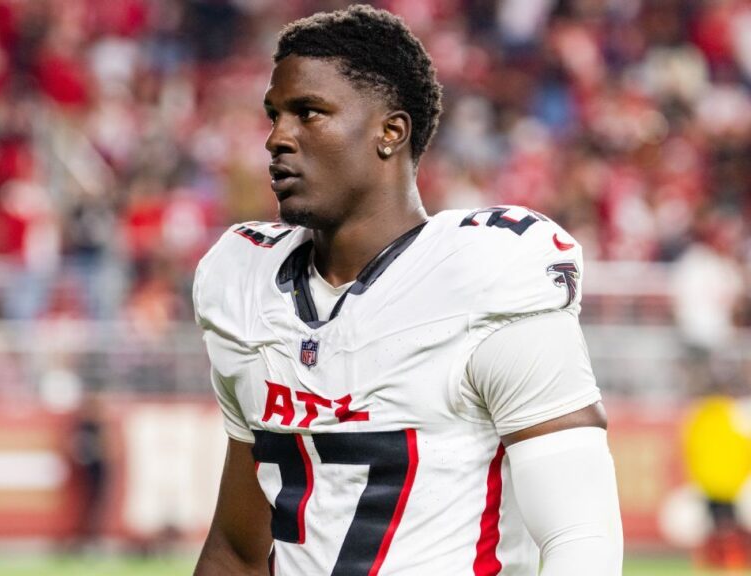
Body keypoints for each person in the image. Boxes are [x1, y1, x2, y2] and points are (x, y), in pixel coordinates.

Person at [192, 5, 623, 575]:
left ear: (391, 132)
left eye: (309, 113)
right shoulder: (246, 286)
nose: (277, 138)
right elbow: (238, 550)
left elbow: (581, 540)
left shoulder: (483, 278)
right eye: (274, 115)